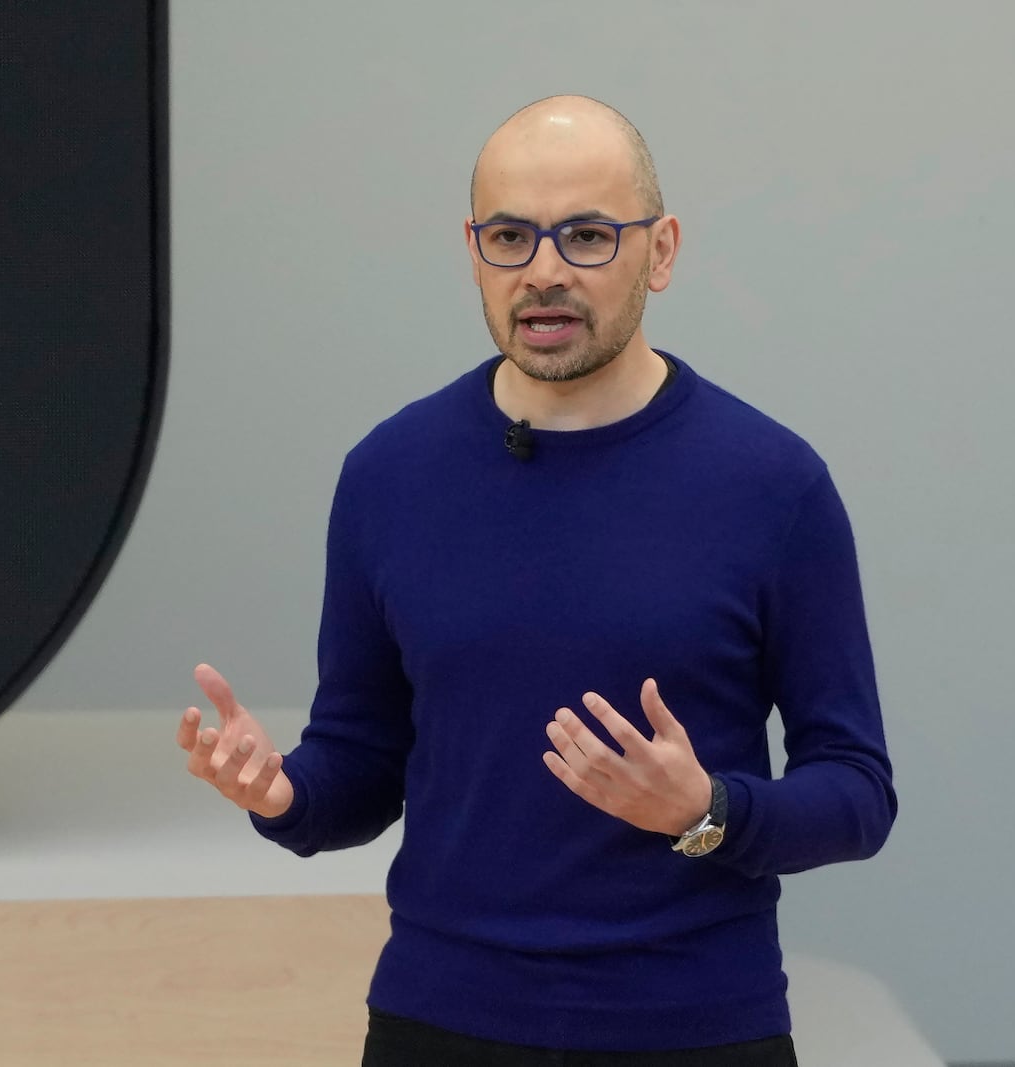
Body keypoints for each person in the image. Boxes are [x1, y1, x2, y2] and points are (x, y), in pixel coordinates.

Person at [177, 94, 896, 1066]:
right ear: (472, 249)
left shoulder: (771, 483)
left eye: (588, 235)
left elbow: (855, 792)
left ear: (662, 250)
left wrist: (706, 810)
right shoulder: (390, 474)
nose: (544, 271)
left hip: (692, 1023)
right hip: (442, 1020)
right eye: (510, 236)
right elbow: (359, 763)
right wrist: (280, 794)